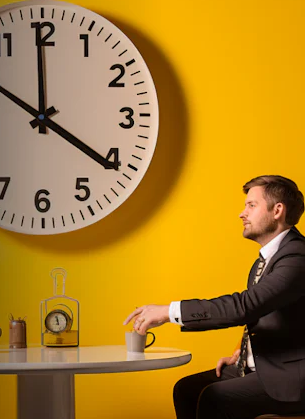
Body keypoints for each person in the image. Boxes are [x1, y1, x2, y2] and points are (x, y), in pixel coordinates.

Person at [123, 175, 305, 418]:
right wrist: (244, 352)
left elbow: (246, 306)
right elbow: (271, 314)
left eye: (251, 205)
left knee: (215, 397)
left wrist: (169, 311)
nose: (242, 214)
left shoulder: (297, 257)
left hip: (291, 378)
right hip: (266, 364)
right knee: (187, 390)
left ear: (277, 211)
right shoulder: (267, 259)